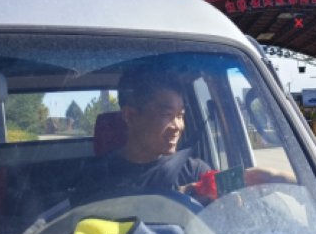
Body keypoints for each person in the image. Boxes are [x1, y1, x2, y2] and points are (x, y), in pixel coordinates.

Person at [73, 69, 292, 206]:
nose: (177, 126)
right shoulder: (93, 177)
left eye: (181, 115)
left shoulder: (196, 172)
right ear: (130, 115)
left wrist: (277, 178)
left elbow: (255, 181)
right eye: (166, 115)